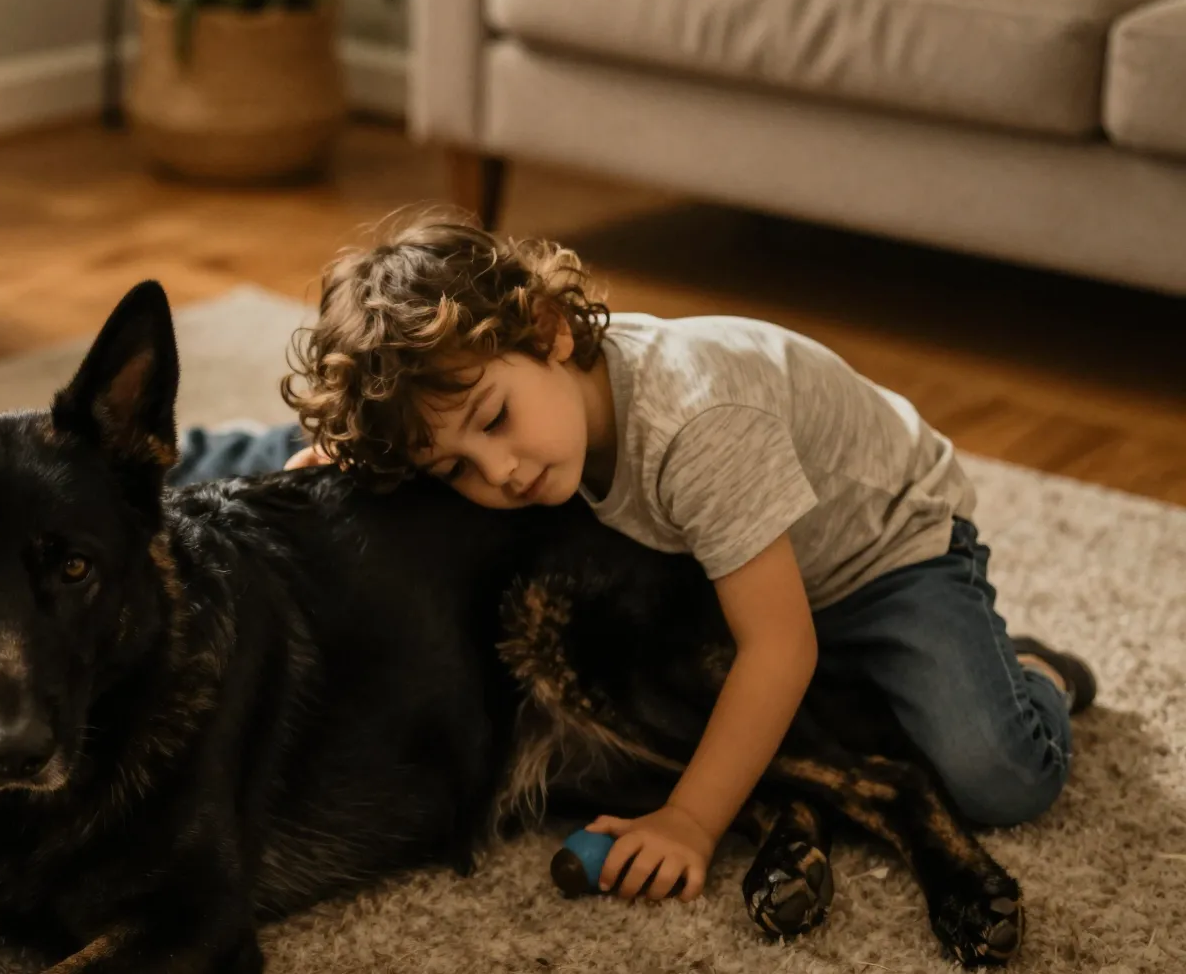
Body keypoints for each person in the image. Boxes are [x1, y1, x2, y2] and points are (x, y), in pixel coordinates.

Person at [173, 213, 1096, 902]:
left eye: (494, 420)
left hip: (882, 555)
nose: (501, 471)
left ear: (550, 330)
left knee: (997, 774)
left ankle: (1033, 672)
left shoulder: (700, 427)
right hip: (726, 556)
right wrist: (348, 461)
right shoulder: (547, 426)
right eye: (455, 465)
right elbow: (442, 451)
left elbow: (781, 649)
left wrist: (692, 821)